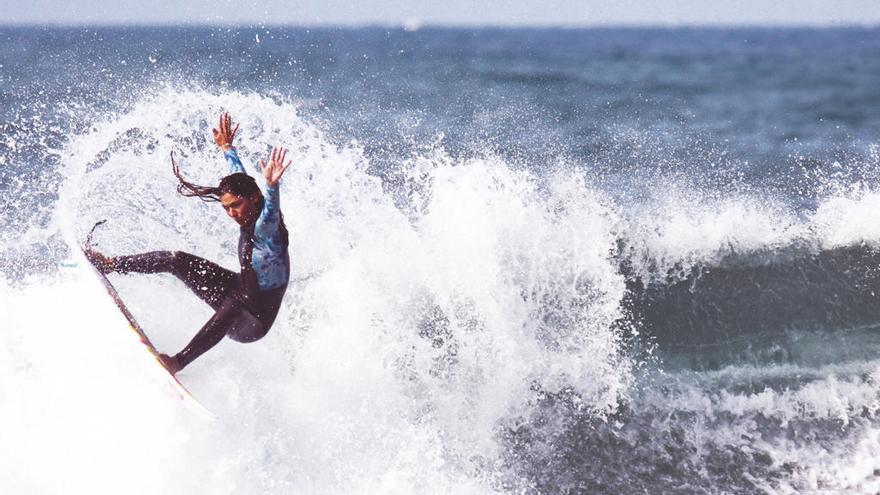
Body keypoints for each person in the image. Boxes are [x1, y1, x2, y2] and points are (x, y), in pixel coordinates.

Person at [86, 113, 292, 373]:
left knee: (233, 307)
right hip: (239, 288)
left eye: (236, 206)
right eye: (227, 208)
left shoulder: (267, 228)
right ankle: (110, 264)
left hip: (253, 321)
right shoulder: (248, 201)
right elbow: (240, 177)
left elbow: (271, 208)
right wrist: (228, 149)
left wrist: (273, 186)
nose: (232, 213)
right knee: (176, 260)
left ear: (254, 198)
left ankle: (177, 362)